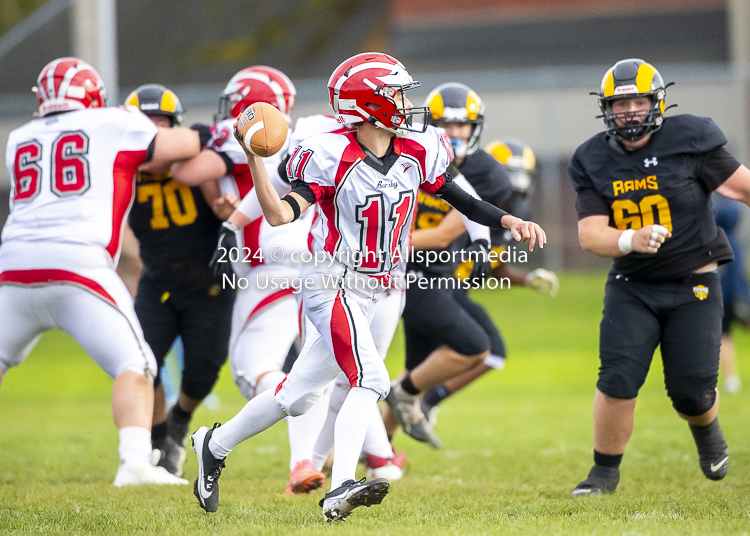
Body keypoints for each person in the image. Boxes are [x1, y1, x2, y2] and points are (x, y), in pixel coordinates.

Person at [189, 52, 546, 521]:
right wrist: (256, 160)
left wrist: (509, 220)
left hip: (375, 287)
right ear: (371, 102)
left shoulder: (418, 147)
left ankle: (213, 444)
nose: (405, 101)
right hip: (329, 280)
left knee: (295, 396)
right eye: (396, 92)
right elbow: (279, 214)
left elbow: (462, 200)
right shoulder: (329, 154)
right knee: (372, 379)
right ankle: (340, 489)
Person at [0, 57, 201, 486]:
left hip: (12, 265)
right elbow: (180, 145)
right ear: (93, 97)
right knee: (135, 362)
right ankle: (134, 462)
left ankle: (138, 462)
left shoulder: (20, 136)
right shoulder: (113, 122)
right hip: (77, 263)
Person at [569, 58, 750, 496]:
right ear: (606, 109)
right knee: (617, 378)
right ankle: (603, 473)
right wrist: (632, 239)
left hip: (695, 283)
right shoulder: (592, 158)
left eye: (637, 101)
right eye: (619, 103)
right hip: (633, 286)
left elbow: (743, 188)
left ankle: (707, 433)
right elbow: (591, 235)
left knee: (692, 393)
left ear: (657, 102)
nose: (629, 111)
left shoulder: (691, 139)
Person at [174, 66, 333, 494]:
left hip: (269, 269)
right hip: (321, 262)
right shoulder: (310, 137)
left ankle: (302, 457)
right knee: (336, 367)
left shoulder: (240, 133)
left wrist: (194, 138)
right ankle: (377, 456)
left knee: (255, 370)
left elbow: (186, 171)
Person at [383, 83, 513, 448]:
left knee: (418, 369)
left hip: (433, 272)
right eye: (445, 125)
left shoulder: (489, 176)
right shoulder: (410, 153)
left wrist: (382, 245)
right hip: (396, 273)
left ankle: (378, 450)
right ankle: (395, 411)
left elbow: (443, 236)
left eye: (463, 125)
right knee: (474, 346)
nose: (454, 134)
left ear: (476, 128)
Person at [124, 84, 235, 477]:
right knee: (141, 362)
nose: (155, 135)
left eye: (161, 125)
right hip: (158, 281)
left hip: (210, 281)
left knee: (203, 372)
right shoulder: (120, 164)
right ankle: (158, 440)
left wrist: (224, 207)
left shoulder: (198, 155)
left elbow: (212, 147)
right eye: (144, 126)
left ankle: (179, 419)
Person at [419, 138, 559, 420]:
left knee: (485, 352)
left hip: (454, 290)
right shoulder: (466, 204)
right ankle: (415, 407)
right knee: (478, 350)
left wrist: (527, 280)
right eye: (508, 172)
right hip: (432, 284)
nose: (514, 182)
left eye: (521, 173)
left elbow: (493, 268)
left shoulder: (517, 215)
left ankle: (414, 409)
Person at [714, 197, 748, 393]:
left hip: (720, 297)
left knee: (721, 335)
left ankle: (730, 378)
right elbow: (739, 275)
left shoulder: (716, 241)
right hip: (729, 297)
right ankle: (727, 377)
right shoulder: (734, 242)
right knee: (724, 336)